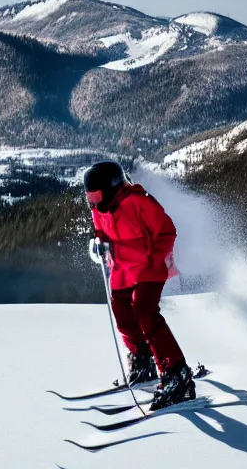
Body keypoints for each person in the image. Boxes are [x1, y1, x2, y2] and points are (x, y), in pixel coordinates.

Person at [83, 160, 195, 410]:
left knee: (144, 311)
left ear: (111, 188)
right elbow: (101, 231)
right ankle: (143, 361)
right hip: (122, 267)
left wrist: (155, 261)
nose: (93, 202)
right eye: (90, 197)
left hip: (150, 265)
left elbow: (167, 231)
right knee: (122, 311)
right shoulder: (99, 208)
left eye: (97, 195)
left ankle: (177, 373)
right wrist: (98, 244)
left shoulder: (137, 201)